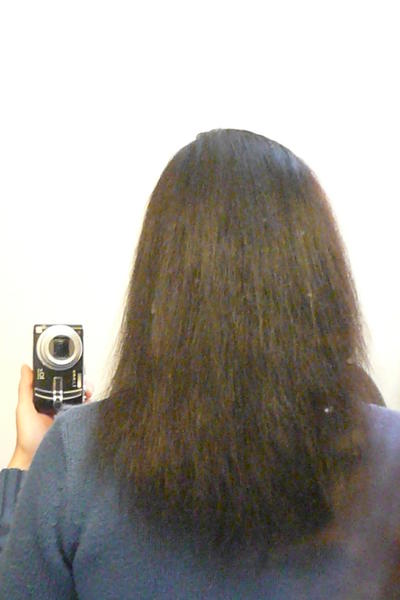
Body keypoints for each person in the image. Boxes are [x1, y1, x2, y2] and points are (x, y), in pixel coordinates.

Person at [0, 129, 399, 599]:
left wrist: (26, 463)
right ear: (320, 276)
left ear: (159, 281)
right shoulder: (391, 455)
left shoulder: (75, 455)